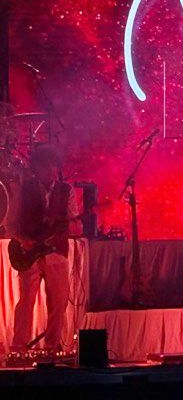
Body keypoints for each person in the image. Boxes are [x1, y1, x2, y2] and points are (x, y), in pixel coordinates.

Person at [10, 144, 80, 352]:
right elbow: (11, 222)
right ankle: (18, 348)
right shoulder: (25, 189)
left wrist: (73, 225)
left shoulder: (66, 190)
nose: (50, 170)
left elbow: (73, 220)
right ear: (36, 168)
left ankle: (52, 349)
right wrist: (22, 240)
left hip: (56, 252)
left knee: (58, 303)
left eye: (52, 165)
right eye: (45, 165)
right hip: (29, 252)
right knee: (26, 303)